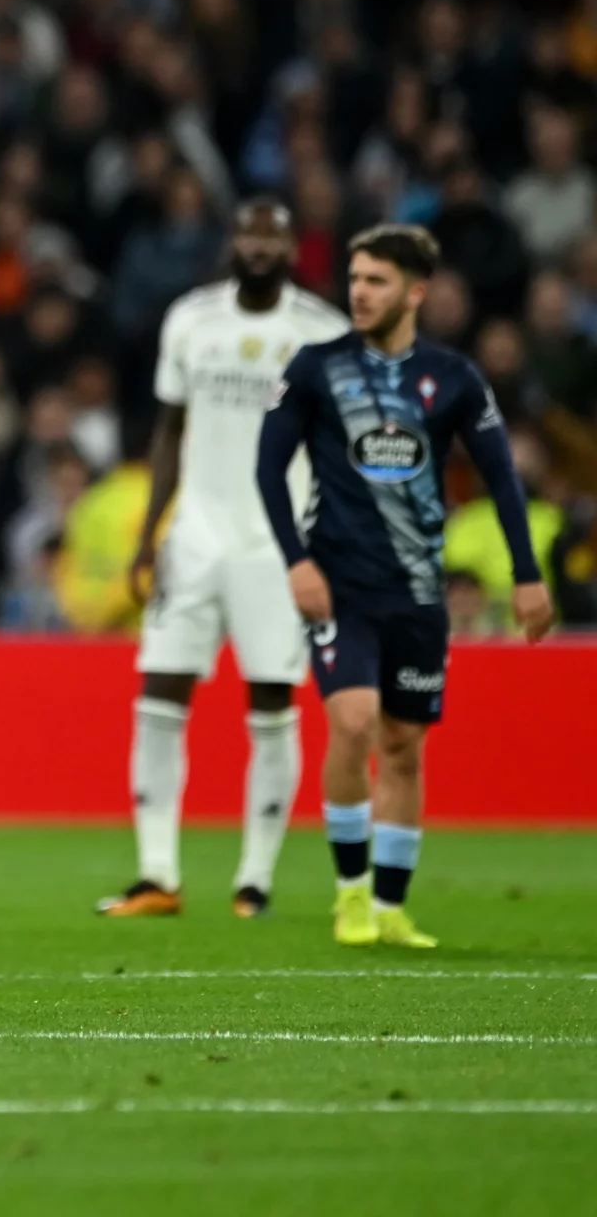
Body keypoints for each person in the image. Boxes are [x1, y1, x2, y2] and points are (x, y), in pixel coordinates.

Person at [255, 224, 554, 950]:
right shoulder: (315, 368)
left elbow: (502, 478)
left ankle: (391, 905)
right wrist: (297, 561)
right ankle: (350, 898)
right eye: (355, 278)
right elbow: (269, 469)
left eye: (376, 281)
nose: (358, 291)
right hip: (339, 586)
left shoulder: (453, 379)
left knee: (404, 745)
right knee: (353, 722)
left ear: (415, 292)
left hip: (418, 593)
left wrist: (526, 573)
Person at [100, 201, 349, 920]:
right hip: (196, 536)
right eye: (249, 233)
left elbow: (337, 452)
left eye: (273, 234)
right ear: (232, 242)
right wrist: (152, 533)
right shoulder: (191, 319)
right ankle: (156, 876)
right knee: (159, 692)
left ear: (291, 245)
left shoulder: (321, 331)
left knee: (271, 699)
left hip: (278, 543)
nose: (260, 246)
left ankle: (254, 881)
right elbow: (170, 428)